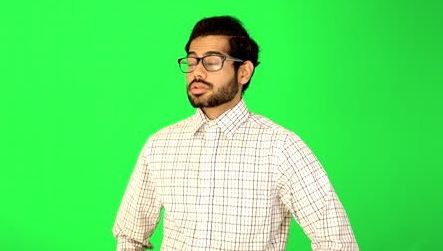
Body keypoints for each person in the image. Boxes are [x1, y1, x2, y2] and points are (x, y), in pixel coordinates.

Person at [113, 16, 358, 250]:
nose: (197, 72)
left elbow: (336, 240)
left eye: (212, 61)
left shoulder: (280, 147)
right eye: (192, 61)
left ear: (244, 72)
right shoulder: (160, 145)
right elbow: (130, 236)